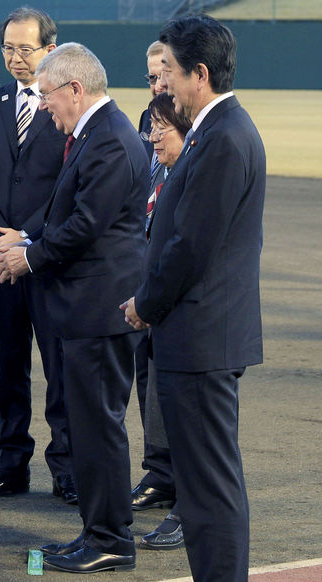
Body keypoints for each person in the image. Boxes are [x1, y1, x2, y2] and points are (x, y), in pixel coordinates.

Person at [0, 42, 148, 574]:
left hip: (100, 312)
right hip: (87, 309)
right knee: (91, 426)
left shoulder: (108, 140)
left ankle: (111, 540)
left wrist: (27, 258)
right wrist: (27, 236)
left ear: (75, 89)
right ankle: (97, 533)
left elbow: (84, 228)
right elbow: (69, 214)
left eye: (48, 94)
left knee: (99, 429)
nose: (45, 105)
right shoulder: (97, 134)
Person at [122, 15, 266, 582]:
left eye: (173, 74)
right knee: (207, 487)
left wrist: (144, 304)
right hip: (198, 337)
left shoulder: (223, 137)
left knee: (209, 489)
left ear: (199, 74)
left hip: (202, 339)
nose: (165, 87)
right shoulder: (217, 131)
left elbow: (190, 246)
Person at [0, 6, 75, 503]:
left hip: (49, 259)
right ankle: (11, 465)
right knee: (8, 366)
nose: (15, 58)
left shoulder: (69, 108)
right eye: (8, 48)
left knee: (60, 367)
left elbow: (71, 183)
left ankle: (67, 468)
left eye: (25, 49)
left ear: (51, 49)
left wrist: (25, 236)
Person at [135, 92, 192, 551]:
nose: (152, 137)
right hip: (160, 317)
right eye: (150, 127)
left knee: (192, 425)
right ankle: (171, 490)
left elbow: (186, 255)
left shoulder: (190, 179)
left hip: (188, 322)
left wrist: (149, 303)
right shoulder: (163, 174)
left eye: (161, 128)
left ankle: (188, 512)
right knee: (160, 410)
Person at [130, 38, 177, 514]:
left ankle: (175, 477)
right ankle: (159, 471)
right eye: (150, 76)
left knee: (171, 382)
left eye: (164, 72)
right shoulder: (148, 118)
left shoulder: (195, 125)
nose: (157, 83)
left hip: (175, 276)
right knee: (146, 375)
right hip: (144, 264)